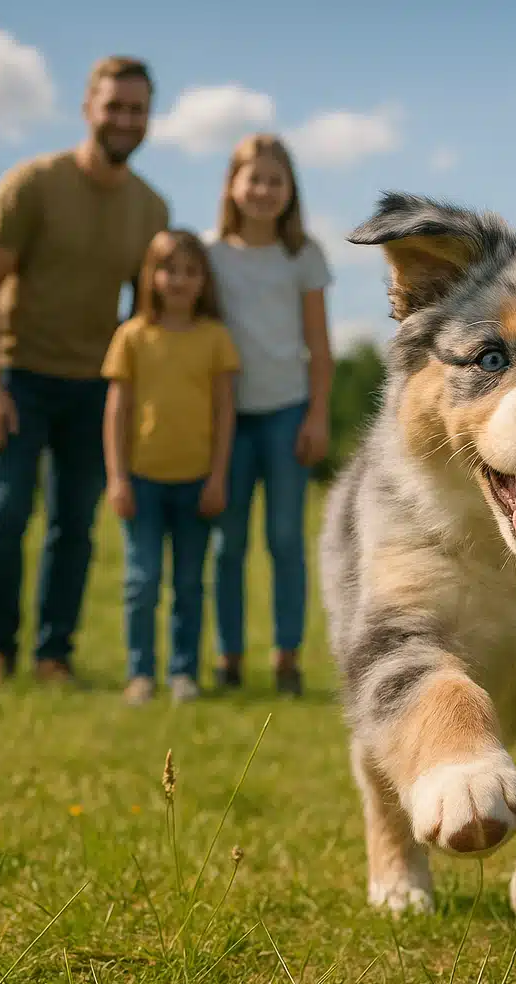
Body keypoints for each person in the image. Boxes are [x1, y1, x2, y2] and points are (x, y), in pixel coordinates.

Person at [0, 55, 171, 689]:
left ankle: (54, 656)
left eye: (136, 109)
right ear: (88, 108)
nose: (124, 119)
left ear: (148, 118)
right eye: (113, 106)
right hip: (17, 376)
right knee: (4, 514)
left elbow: (145, 318)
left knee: (74, 526)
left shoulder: (150, 209)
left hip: (92, 387)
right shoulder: (32, 184)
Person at [202, 133, 335, 697]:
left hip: (286, 413)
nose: (262, 190)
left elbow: (319, 345)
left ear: (289, 191)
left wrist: (318, 415)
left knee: (285, 539)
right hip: (228, 420)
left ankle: (287, 659)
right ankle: (228, 659)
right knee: (227, 543)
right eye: (252, 178)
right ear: (232, 186)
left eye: (274, 181)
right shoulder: (209, 255)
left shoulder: (301, 255)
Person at [102, 230, 240, 706]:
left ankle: (183, 672)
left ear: (203, 280)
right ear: (151, 277)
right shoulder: (132, 336)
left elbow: (225, 413)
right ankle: (140, 673)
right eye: (168, 269)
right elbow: (116, 412)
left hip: (197, 483)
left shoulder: (215, 339)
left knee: (187, 584)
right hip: (141, 483)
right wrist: (117, 477)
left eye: (189, 271)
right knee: (141, 583)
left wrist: (219, 477)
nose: (178, 280)